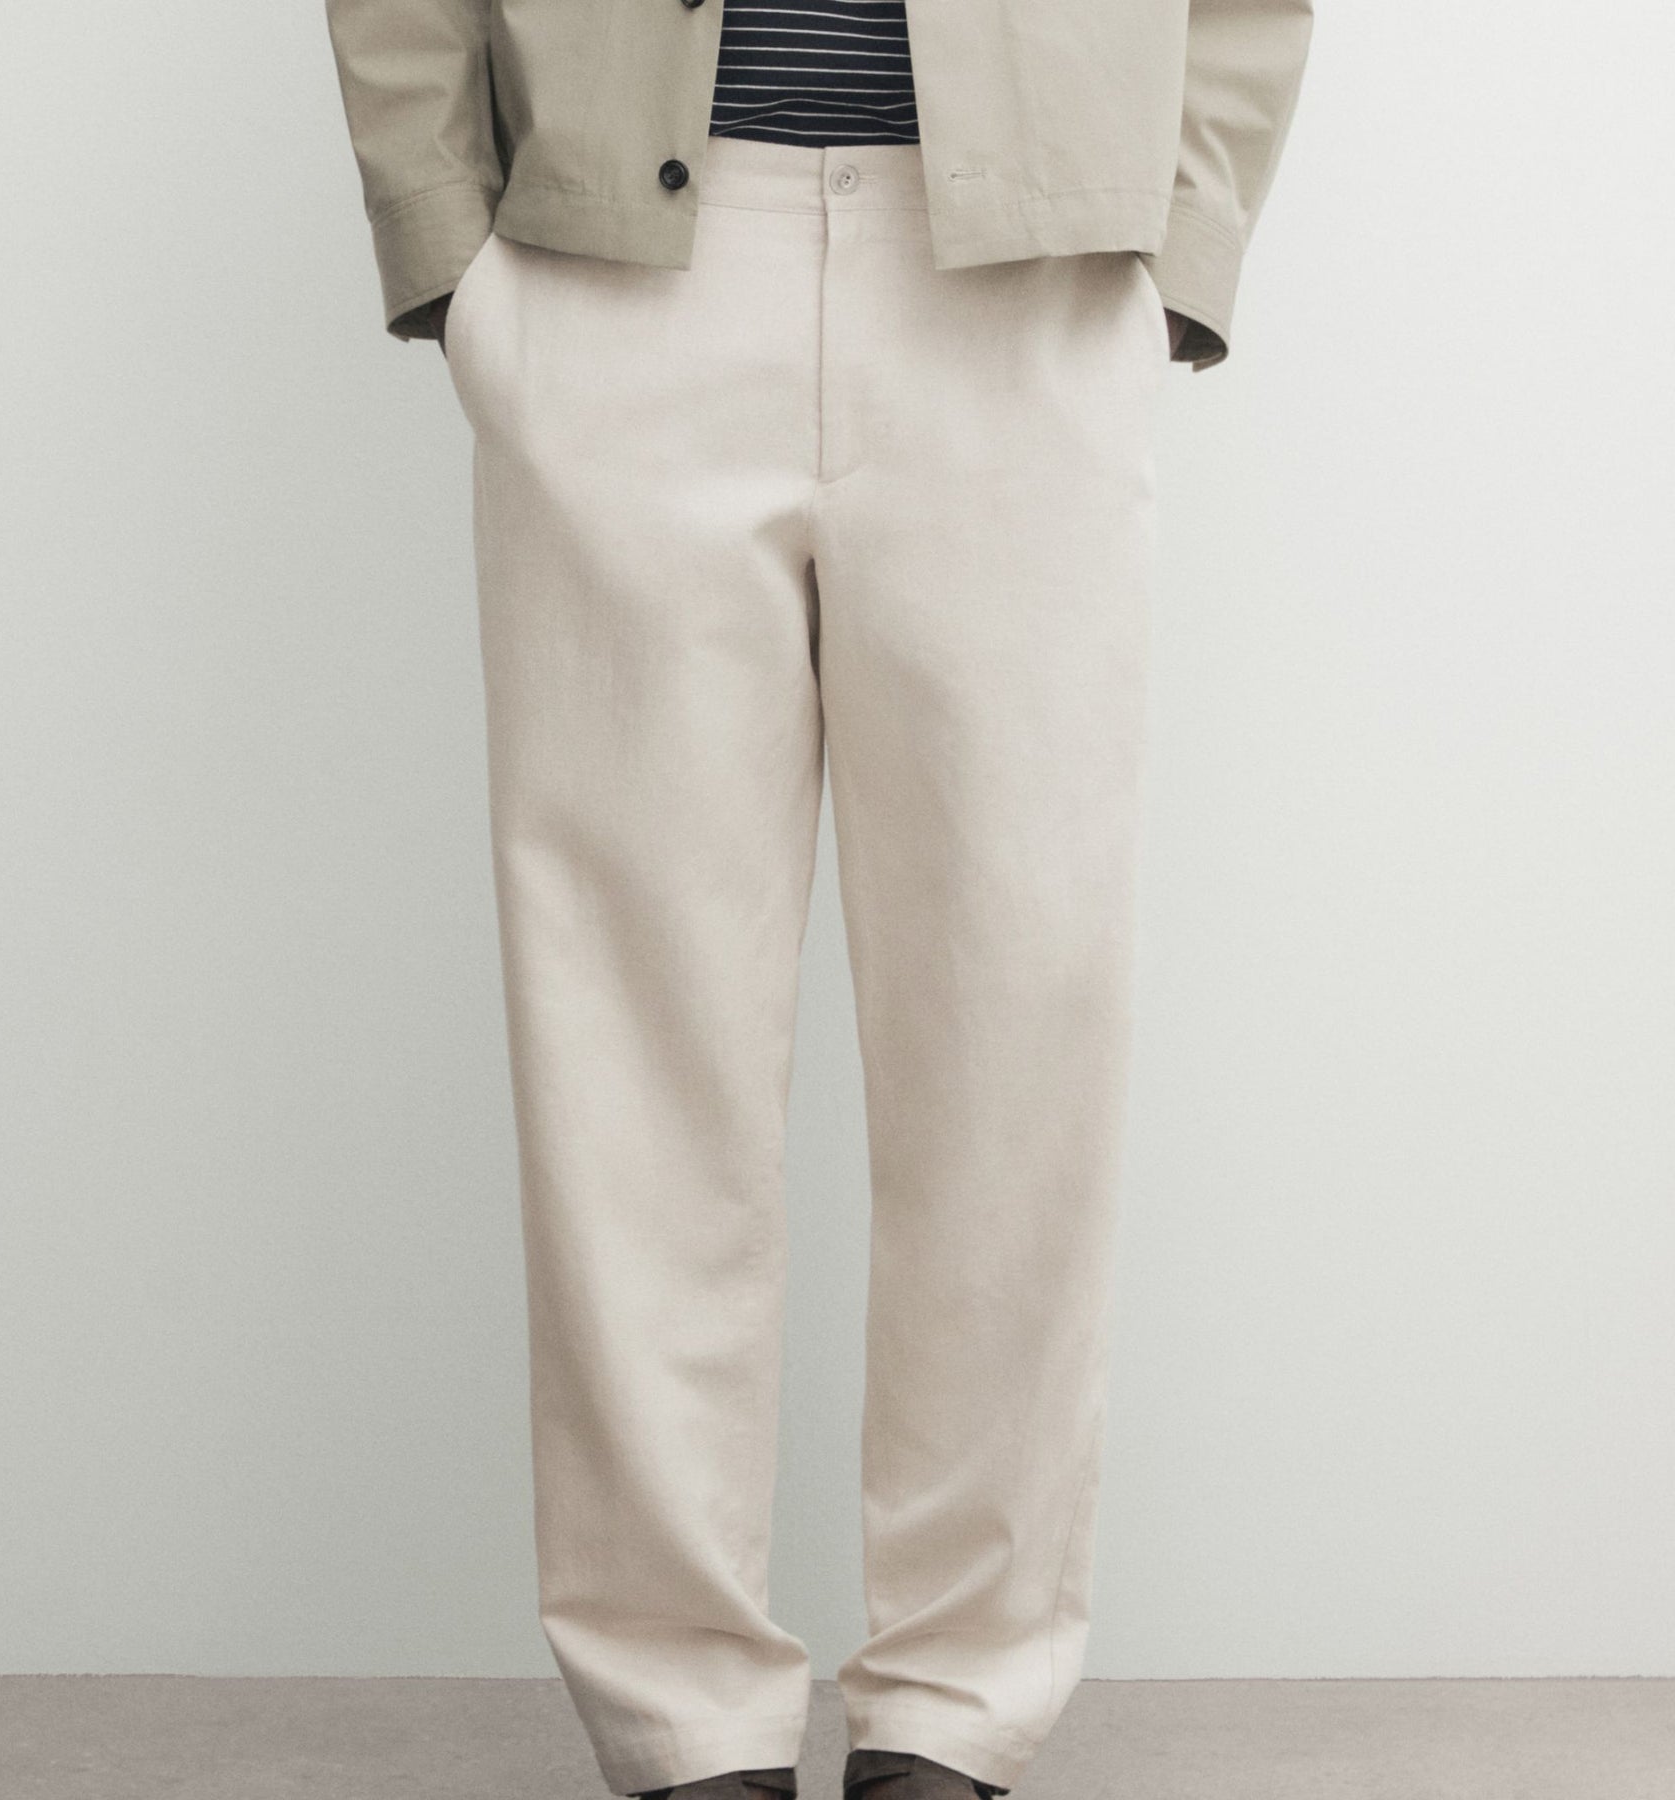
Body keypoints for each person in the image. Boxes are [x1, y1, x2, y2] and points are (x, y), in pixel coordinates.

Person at [322, 2, 1312, 1796]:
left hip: (1027, 275)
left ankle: (960, 1703)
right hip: (618, 267)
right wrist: (444, 236)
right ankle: (679, 1713)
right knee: (631, 1037)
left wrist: (1185, 228)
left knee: (1017, 1023)